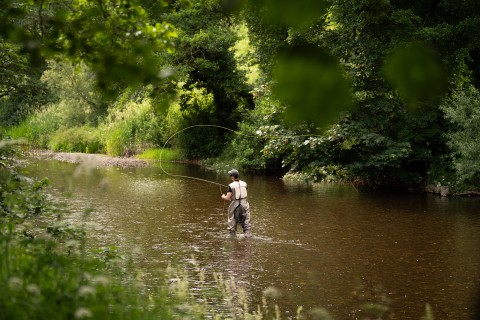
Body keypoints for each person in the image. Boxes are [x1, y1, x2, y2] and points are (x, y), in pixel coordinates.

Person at [221, 169, 252, 237]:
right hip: (245, 204)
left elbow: (227, 198)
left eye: (230, 175)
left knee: (232, 222)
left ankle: (232, 238)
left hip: (235, 204)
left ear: (232, 177)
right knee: (246, 221)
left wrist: (223, 196)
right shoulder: (244, 183)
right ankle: (248, 237)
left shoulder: (231, 185)